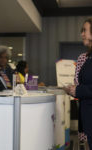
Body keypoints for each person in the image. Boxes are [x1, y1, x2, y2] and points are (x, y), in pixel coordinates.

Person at [64, 18, 92, 149]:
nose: (82, 34)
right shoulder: (88, 57)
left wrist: (78, 90)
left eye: (84, 30)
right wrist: (74, 89)